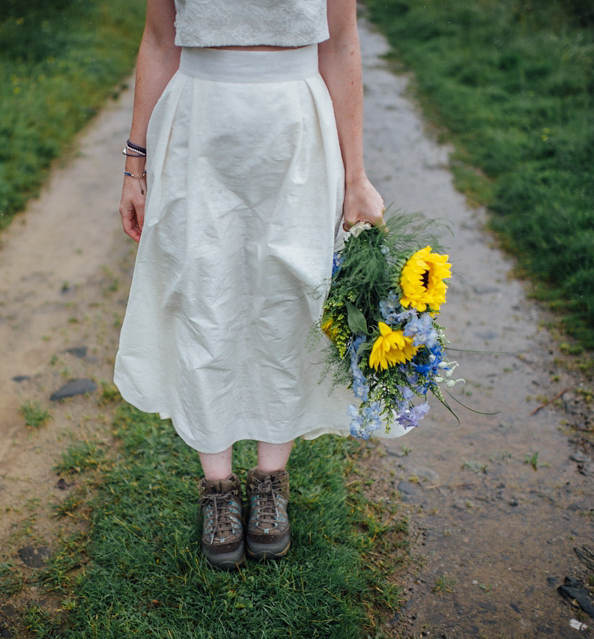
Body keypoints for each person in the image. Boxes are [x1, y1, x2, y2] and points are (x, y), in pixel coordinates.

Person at [115, 0, 385, 570]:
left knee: (290, 301)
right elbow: (160, 41)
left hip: (296, 131)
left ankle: (269, 482)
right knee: (201, 296)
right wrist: (134, 166)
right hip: (197, 129)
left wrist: (356, 177)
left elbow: (340, 44)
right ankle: (217, 489)